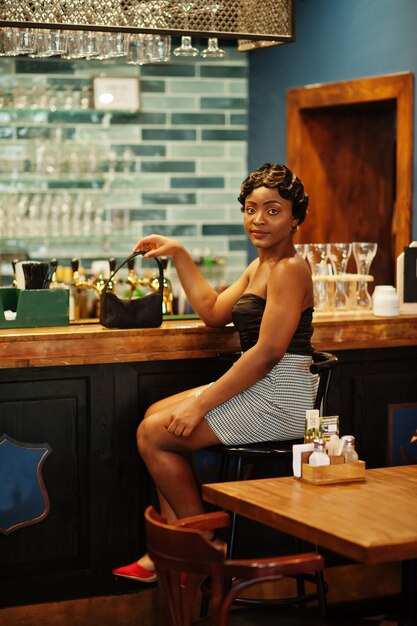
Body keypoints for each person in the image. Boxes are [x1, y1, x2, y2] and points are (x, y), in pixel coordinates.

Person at [113, 162, 318, 582]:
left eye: (273, 210)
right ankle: (175, 548)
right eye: (250, 208)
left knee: (155, 433)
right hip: (262, 383)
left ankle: (201, 549)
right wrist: (179, 253)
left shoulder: (290, 269)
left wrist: (199, 406)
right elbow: (211, 313)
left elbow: (267, 353)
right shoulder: (260, 265)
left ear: (296, 218)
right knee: (155, 413)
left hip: (281, 395)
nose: (258, 219)